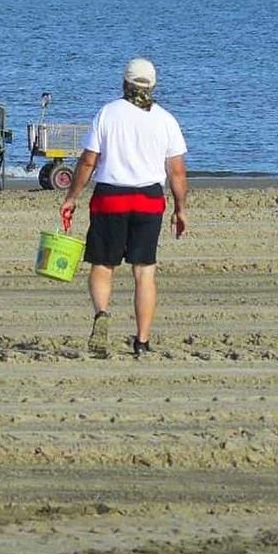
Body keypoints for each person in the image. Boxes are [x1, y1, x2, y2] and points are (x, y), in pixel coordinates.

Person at [61, 57, 188, 359]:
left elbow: (89, 161)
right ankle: (142, 342)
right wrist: (180, 209)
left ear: (125, 82)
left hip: (110, 198)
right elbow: (177, 172)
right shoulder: (166, 120)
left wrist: (71, 197)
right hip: (148, 200)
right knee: (144, 272)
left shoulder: (108, 113)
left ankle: (102, 314)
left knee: (103, 265)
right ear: (153, 85)